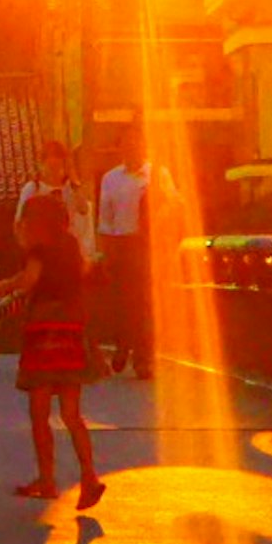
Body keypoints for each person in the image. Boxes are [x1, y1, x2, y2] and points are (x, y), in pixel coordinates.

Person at [8, 188, 102, 511]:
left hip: (45, 332)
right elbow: (84, 272)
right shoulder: (71, 245)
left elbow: (29, 281)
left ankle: (47, 479)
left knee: (39, 411)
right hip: (72, 330)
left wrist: (6, 285)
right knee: (72, 414)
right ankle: (89, 476)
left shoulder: (39, 248)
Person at [92, 132, 148, 379]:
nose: (132, 150)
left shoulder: (158, 175)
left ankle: (143, 357)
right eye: (127, 145)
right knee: (122, 302)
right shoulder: (110, 179)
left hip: (147, 245)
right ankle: (123, 345)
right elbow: (105, 218)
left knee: (146, 303)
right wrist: (104, 250)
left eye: (136, 145)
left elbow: (174, 205)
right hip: (120, 244)